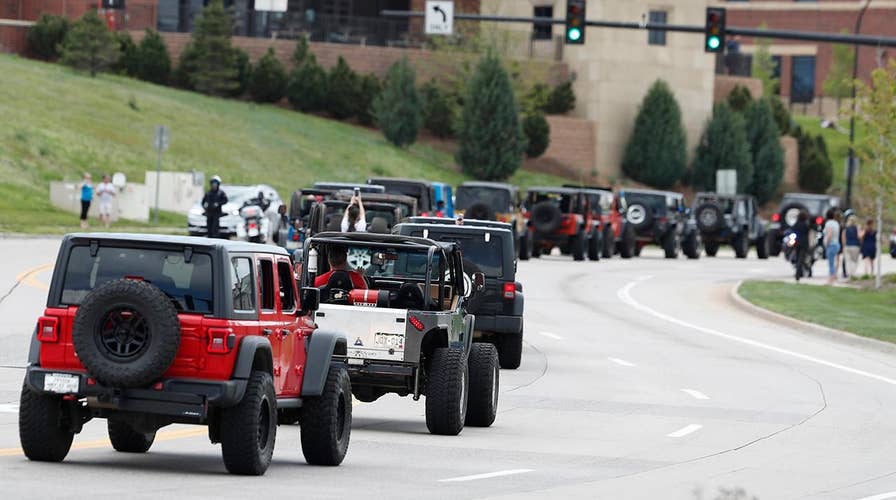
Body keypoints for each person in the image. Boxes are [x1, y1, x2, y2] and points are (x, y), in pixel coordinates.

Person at [823, 208, 841, 285]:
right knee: (833, 261)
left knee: (831, 263)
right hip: (836, 244)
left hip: (831, 244)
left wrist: (827, 243)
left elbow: (829, 234)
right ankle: (833, 276)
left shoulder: (828, 224)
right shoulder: (836, 223)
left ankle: (831, 279)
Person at [792, 210, 810, 282]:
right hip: (804, 243)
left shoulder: (796, 224)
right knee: (801, 259)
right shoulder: (805, 225)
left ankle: (799, 272)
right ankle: (798, 274)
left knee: (798, 257)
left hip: (797, 243)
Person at [843, 213, 861, 278]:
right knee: (855, 261)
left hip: (847, 246)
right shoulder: (857, 228)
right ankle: (852, 273)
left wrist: (844, 246)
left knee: (848, 261)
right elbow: (859, 236)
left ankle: (849, 273)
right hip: (855, 246)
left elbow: (844, 238)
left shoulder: (846, 228)